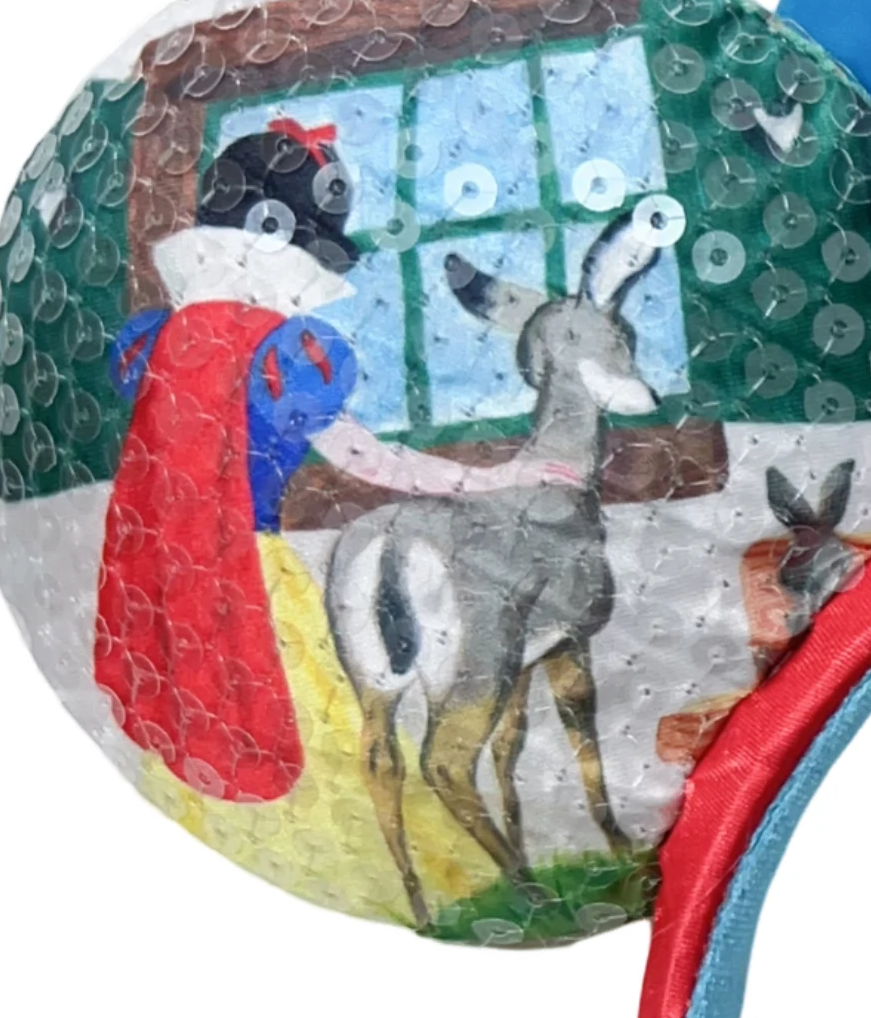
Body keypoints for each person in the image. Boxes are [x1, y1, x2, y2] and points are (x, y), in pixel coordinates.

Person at [92, 116, 560, 800]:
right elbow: (373, 461)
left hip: (159, 576)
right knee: (320, 729)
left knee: (192, 738)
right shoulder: (284, 353)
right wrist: (498, 477)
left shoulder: (157, 340)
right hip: (251, 574)